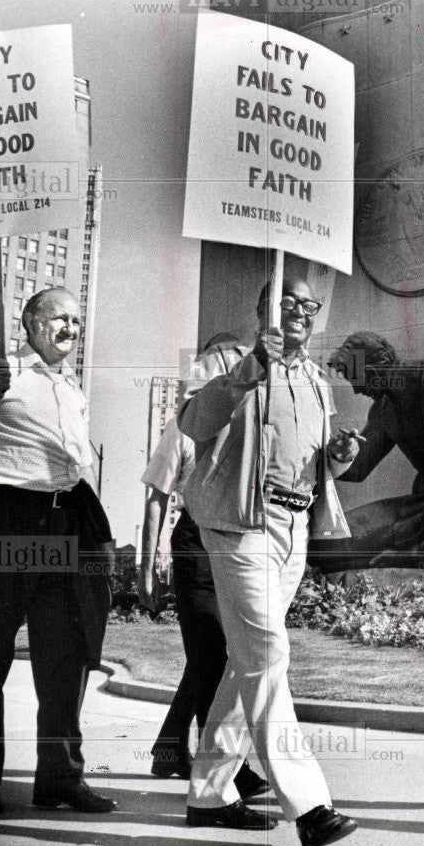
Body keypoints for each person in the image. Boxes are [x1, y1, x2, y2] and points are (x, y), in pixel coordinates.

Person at [177, 273, 359, 846]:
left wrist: (337, 458)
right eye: (289, 302)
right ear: (265, 308)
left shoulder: (316, 380)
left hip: (294, 524)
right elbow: (194, 423)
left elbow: (308, 464)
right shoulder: (229, 360)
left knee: (246, 662)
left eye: (310, 305)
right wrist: (251, 365)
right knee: (268, 653)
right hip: (239, 523)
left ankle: (208, 793)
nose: (302, 312)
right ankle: (310, 805)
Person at [0, 286, 117, 818]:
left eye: (77, 322)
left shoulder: (72, 391)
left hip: (61, 520)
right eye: (60, 318)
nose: (71, 329)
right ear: (30, 323)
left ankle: (60, 780)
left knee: (64, 659)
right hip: (1, 517)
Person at [140, 336, 269, 801]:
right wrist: (149, 561)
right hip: (195, 544)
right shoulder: (185, 427)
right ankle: (222, 773)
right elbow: (157, 494)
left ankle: (170, 748)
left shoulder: (245, 427)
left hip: (236, 541)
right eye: (226, 370)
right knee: (212, 654)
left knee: (220, 653)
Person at [323, 332, 424, 567]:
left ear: (375, 369)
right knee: (330, 543)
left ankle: (421, 551)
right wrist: (342, 452)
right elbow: (357, 470)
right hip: (422, 502)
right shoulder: (383, 409)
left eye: (356, 378)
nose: (356, 390)